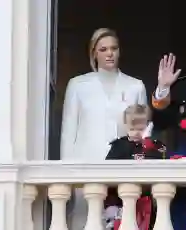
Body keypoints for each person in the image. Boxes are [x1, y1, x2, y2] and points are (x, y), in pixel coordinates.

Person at [60, 28, 147, 230]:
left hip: (124, 169)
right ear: (94, 53)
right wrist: (68, 174)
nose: (109, 53)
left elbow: (143, 133)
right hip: (85, 167)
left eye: (114, 48)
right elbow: (68, 133)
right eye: (103, 49)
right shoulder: (78, 85)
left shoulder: (135, 86)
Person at [105, 104, 166, 230]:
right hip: (121, 199)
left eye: (141, 128)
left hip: (148, 200)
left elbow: (160, 164)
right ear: (126, 125)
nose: (137, 133)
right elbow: (108, 172)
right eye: (133, 129)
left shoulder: (155, 146)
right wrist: (111, 204)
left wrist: (147, 143)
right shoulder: (119, 145)